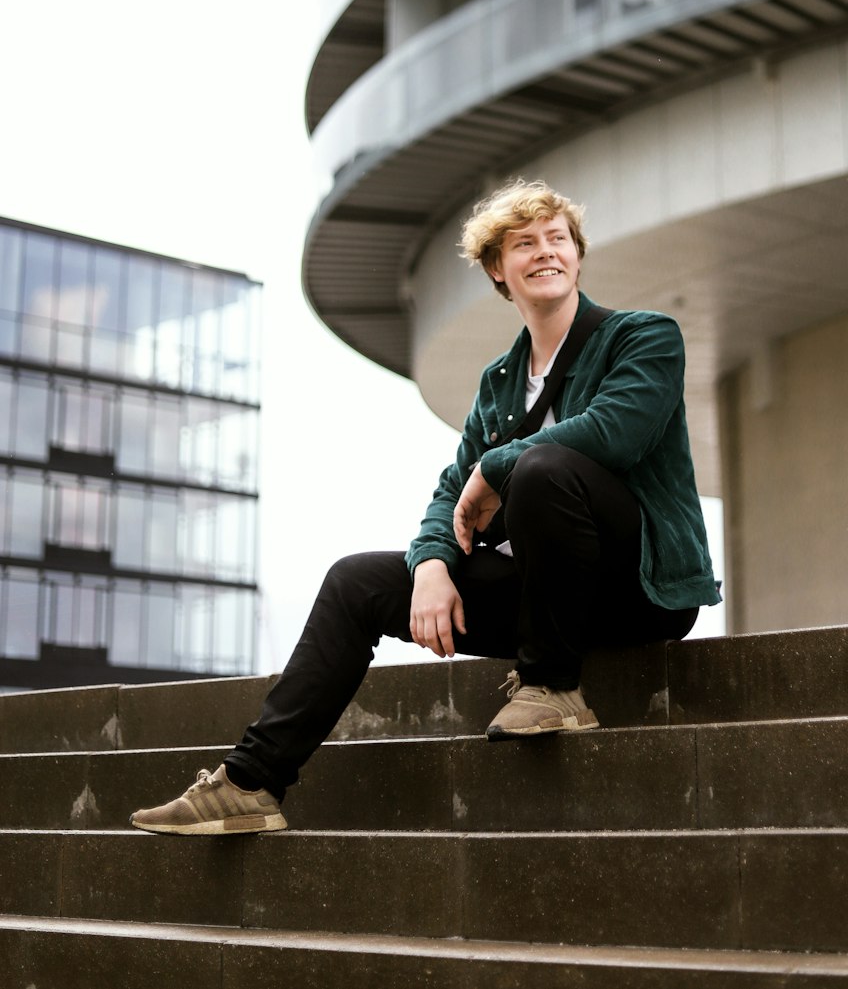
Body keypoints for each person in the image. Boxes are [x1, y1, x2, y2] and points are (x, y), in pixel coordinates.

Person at [130, 179, 719, 836]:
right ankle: (248, 784)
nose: (545, 251)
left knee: (543, 467)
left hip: (637, 588)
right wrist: (431, 563)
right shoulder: (499, 381)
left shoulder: (641, 337)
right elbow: (451, 495)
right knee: (356, 580)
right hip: (542, 597)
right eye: (525, 243)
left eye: (558, 239)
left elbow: (616, 433)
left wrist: (495, 467)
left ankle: (552, 686)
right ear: (500, 269)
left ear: (578, 257)